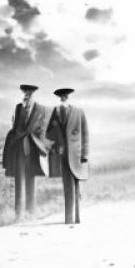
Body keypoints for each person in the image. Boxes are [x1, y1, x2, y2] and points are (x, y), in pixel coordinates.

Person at [1, 83, 50, 219]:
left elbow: (42, 129)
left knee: (31, 180)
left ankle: (30, 212)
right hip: (19, 150)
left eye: (29, 94)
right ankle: (18, 214)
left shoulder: (41, 109)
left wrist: (39, 143)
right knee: (18, 182)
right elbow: (16, 127)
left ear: (33, 95)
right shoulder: (19, 108)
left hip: (33, 149)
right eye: (25, 94)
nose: (27, 97)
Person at [47, 88, 89, 225]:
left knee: (76, 186)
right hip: (63, 154)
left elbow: (85, 134)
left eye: (65, 96)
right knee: (67, 186)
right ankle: (68, 218)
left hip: (77, 154)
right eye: (61, 96)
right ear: (59, 98)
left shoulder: (78, 112)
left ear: (69, 97)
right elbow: (48, 133)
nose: (63, 98)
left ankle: (77, 218)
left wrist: (85, 154)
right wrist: (57, 141)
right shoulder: (56, 112)